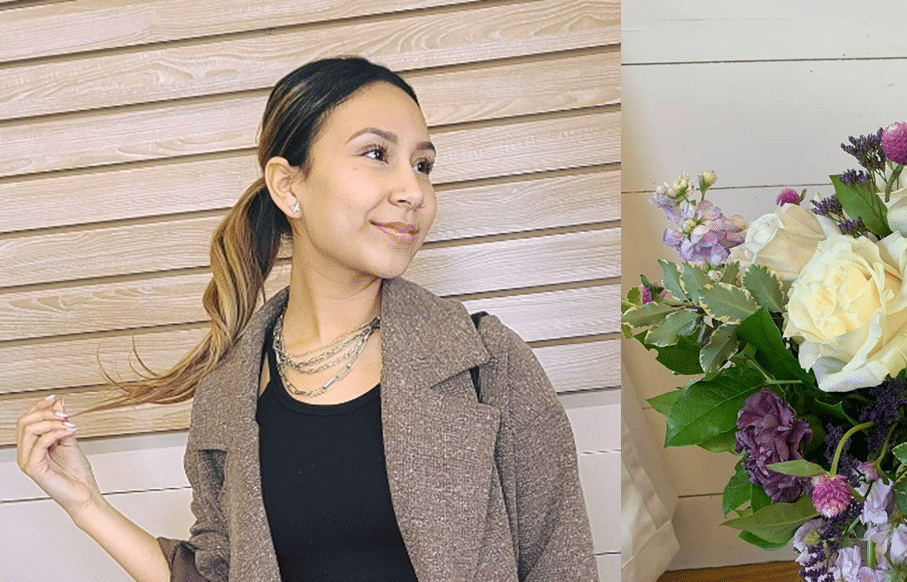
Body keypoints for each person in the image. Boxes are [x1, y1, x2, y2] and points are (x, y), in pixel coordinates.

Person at [13, 57, 598, 582]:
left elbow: (560, 562)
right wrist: (85, 503)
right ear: (288, 187)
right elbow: (217, 576)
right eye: (377, 154)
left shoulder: (486, 361)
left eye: (423, 165)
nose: (413, 189)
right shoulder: (229, 391)